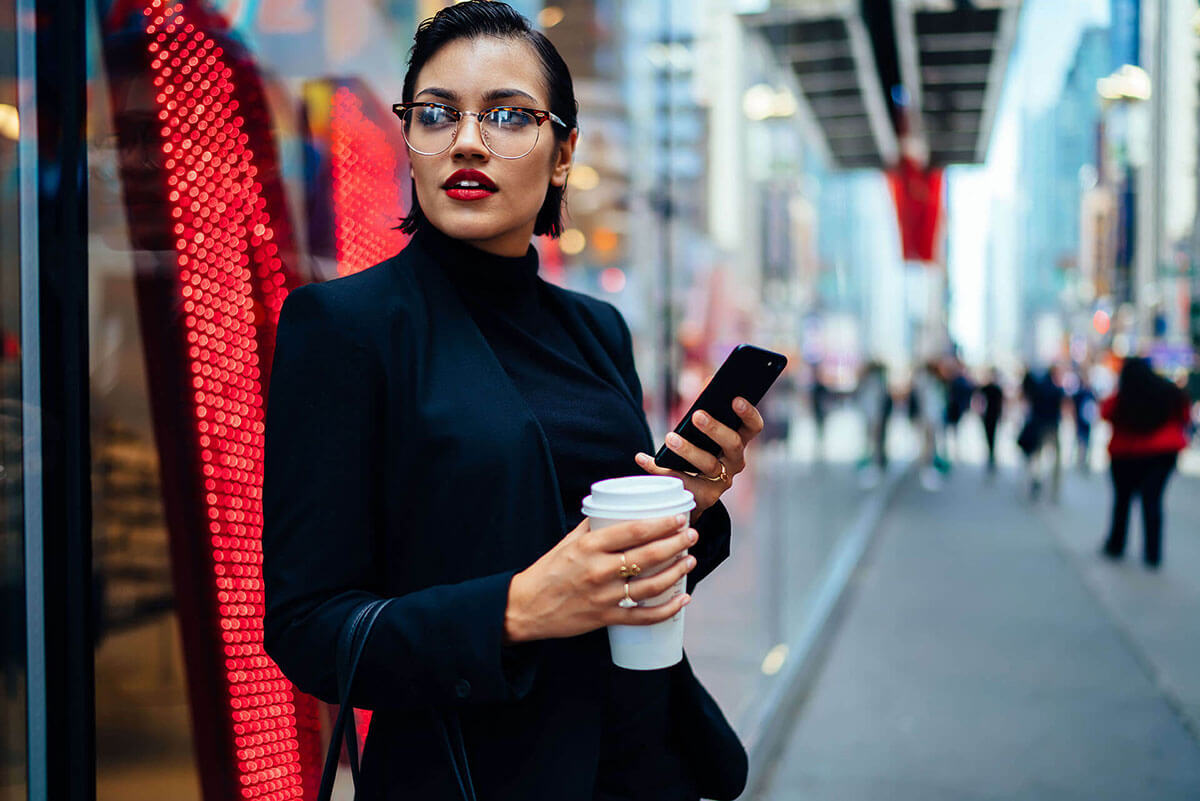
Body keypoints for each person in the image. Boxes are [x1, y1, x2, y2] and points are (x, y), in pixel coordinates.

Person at [261, 5, 755, 800]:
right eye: (436, 113)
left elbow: (609, 567)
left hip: (645, 764)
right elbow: (307, 627)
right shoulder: (345, 329)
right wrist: (515, 608)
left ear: (562, 155)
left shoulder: (597, 330)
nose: (466, 139)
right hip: (473, 775)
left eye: (507, 116)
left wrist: (684, 506)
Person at [1099, 357, 1190, 568]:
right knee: (1153, 502)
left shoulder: (1123, 397)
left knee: (1122, 502)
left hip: (1126, 455)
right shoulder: (1170, 393)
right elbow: (1184, 415)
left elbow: (1105, 412)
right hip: (1162, 455)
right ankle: (1152, 553)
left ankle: (1116, 544)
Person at [1018, 366, 1064, 500]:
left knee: (1037, 458)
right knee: (1055, 460)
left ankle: (1036, 482)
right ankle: (1054, 490)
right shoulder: (1056, 389)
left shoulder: (1038, 388)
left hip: (1038, 426)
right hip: (1052, 426)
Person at [977, 368, 1004, 474]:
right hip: (988, 415)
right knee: (989, 435)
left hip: (993, 415)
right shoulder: (987, 388)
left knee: (992, 436)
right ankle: (990, 454)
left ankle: (991, 455)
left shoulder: (996, 389)